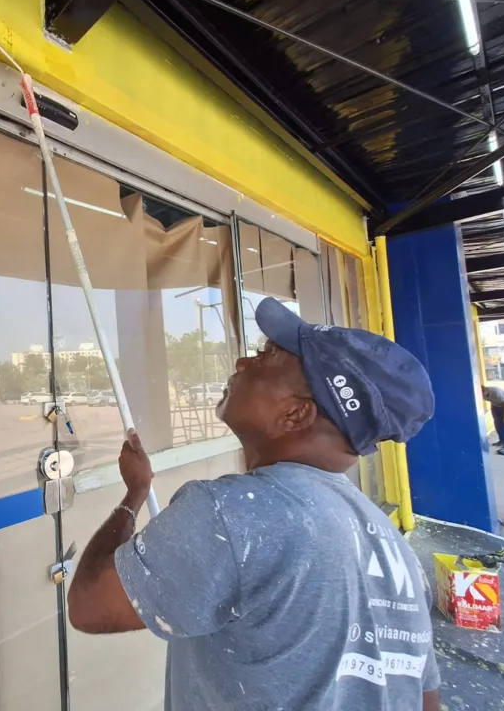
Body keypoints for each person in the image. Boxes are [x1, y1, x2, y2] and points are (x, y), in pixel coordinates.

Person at [67, 298, 441, 711]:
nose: (243, 362)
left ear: (296, 414)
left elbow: (89, 604)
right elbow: (423, 696)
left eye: (266, 358)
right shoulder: (392, 547)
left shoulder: (235, 514)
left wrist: (133, 496)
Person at [482, 385, 504, 449]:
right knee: (498, 423)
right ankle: (502, 440)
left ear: (485, 391)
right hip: (497, 405)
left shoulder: (496, 392)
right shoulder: (481, 393)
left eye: (483, 395)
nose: (482, 397)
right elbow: (492, 400)